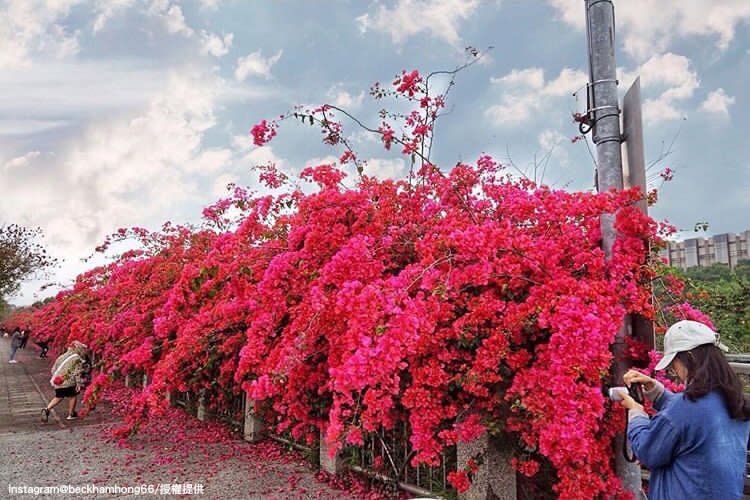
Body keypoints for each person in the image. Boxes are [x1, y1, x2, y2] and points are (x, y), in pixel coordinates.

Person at [617, 320, 750, 500]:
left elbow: (649, 451)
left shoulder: (685, 408)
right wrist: (657, 391)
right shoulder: (733, 401)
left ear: (690, 357)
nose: (674, 370)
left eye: (674, 363)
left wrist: (636, 413)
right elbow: (695, 418)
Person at [41, 341, 90, 422]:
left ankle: (47, 409)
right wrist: (78, 383)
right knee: (72, 396)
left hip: (58, 381)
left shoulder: (61, 356)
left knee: (59, 396)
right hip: (69, 381)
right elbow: (77, 372)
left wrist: (57, 378)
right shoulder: (77, 358)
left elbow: (53, 369)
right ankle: (71, 414)